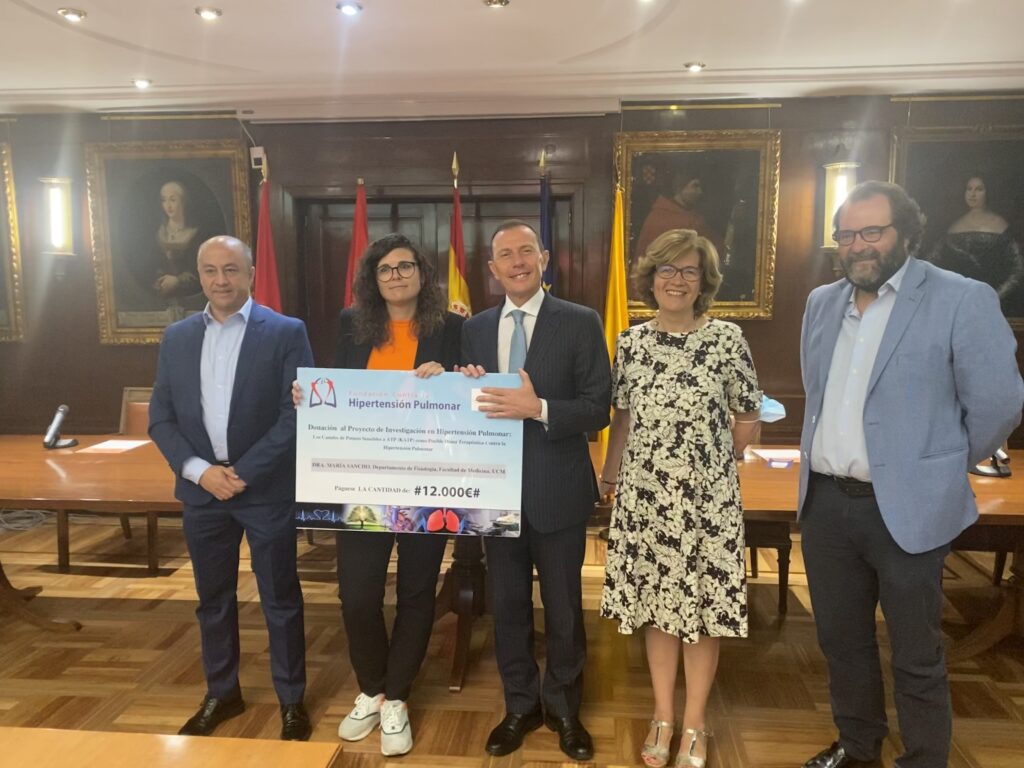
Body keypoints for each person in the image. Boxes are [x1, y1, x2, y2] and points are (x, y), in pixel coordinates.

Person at [798, 180, 1024, 768]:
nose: (857, 245)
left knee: (917, 653)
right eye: (846, 234)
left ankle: (924, 759)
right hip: (826, 505)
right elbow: (816, 396)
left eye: (872, 231)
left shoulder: (961, 298)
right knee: (841, 642)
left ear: (906, 234)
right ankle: (858, 746)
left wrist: (938, 465)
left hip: (909, 510)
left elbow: (999, 404)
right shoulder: (822, 302)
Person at [292, 233, 463, 756]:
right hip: (363, 481)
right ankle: (372, 687)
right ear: (372, 279)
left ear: (422, 273)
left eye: (405, 266)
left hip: (428, 480)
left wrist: (452, 377)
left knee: (416, 592)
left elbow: (472, 391)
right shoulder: (353, 323)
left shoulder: (452, 327)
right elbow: (338, 391)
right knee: (358, 593)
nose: (396, 276)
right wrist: (309, 397)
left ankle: (398, 697)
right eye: (385, 269)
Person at [599, 229, 762, 768]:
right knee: (657, 609)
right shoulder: (631, 343)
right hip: (645, 499)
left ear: (703, 282)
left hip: (706, 503)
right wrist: (609, 477)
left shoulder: (727, 339)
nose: (677, 280)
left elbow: (747, 415)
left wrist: (714, 461)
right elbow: (623, 418)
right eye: (667, 270)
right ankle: (662, 715)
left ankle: (695, 721)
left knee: (702, 610)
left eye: (689, 271)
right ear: (650, 278)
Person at [148, 235, 314, 741]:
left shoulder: (286, 331)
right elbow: (161, 418)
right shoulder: (177, 337)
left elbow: (296, 413)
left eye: (231, 269)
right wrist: (200, 471)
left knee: (280, 598)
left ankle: (291, 700)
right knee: (212, 599)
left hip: (264, 491)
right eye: (210, 270)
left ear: (250, 274)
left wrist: (241, 473)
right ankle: (222, 693)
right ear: (199, 275)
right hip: (203, 493)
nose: (221, 280)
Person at [459, 220, 611, 762]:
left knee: (564, 609)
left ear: (544, 259)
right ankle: (520, 705)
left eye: (527, 251)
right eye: (506, 254)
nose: (517, 261)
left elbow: (598, 407)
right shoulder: (475, 329)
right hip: (494, 492)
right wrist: (454, 384)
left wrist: (538, 408)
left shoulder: (581, 321)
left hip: (558, 491)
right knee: (508, 606)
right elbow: (465, 404)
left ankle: (564, 708)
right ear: (493, 268)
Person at [931, 172, 1024, 311]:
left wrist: (994, 296)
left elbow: (1017, 269)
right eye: (969, 189)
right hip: (958, 304)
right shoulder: (953, 226)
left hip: (993, 304)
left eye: (979, 189)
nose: (972, 194)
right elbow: (935, 264)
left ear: (988, 192)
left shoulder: (1001, 224)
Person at [633, 169, 724, 268]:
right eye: (695, 186)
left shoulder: (693, 216)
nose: (699, 191)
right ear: (680, 188)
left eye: (700, 187)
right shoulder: (659, 215)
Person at [153, 181, 202, 303]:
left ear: (183, 202)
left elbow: (200, 272)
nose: (168, 205)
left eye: (173, 200)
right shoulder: (158, 233)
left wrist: (177, 281)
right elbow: (150, 268)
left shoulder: (195, 234)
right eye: (164, 200)